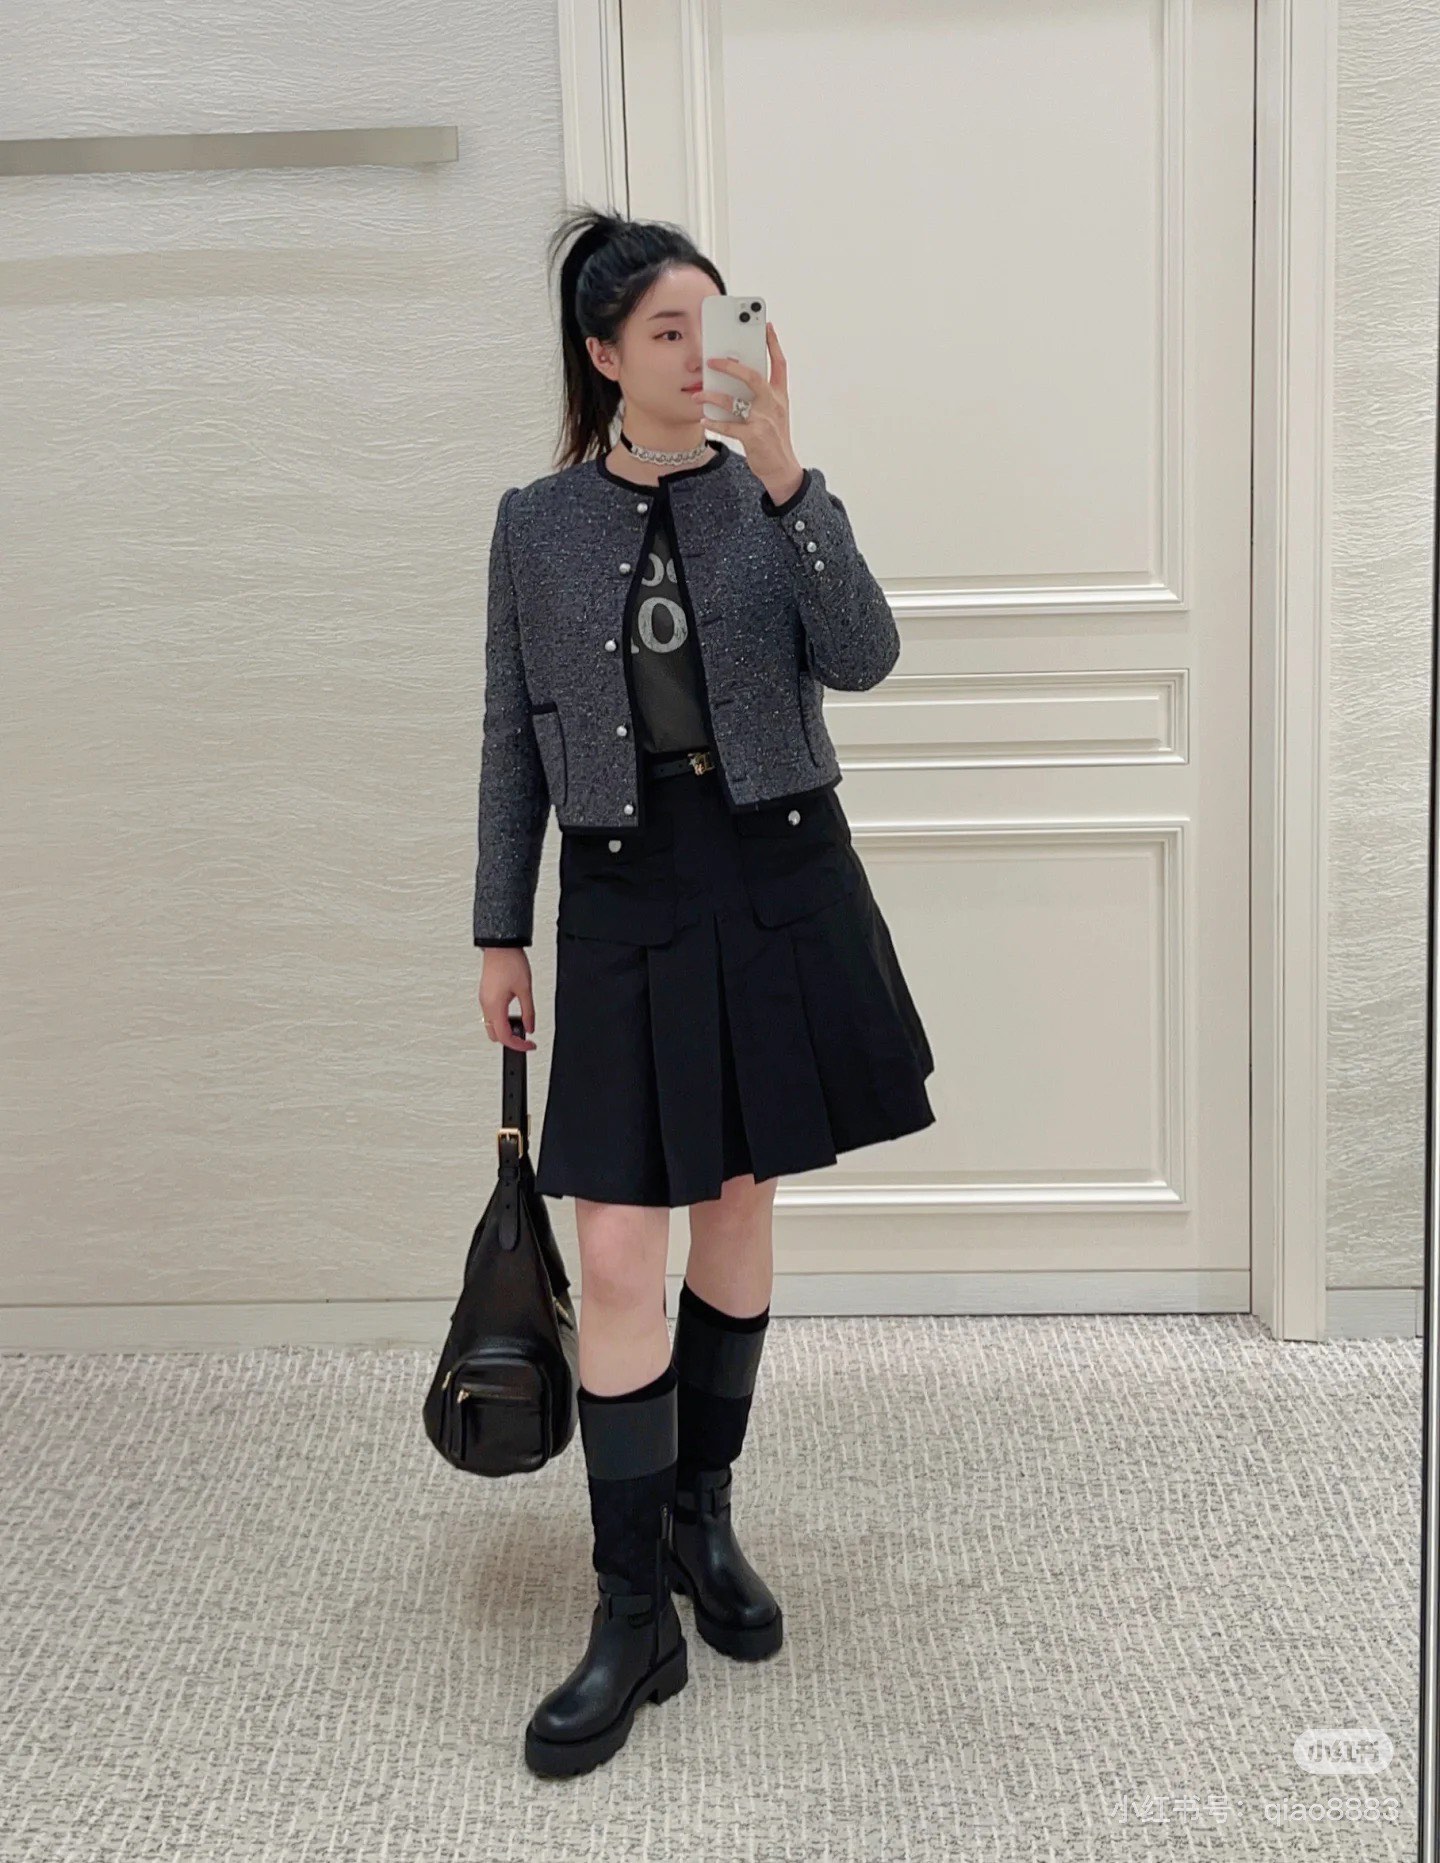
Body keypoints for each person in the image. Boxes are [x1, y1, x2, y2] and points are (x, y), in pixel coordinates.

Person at [473, 206, 936, 1778]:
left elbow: (863, 656)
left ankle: (700, 1522)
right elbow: (511, 738)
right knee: (617, 1249)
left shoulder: (768, 496)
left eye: (711, 324)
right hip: (619, 889)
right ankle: (627, 1613)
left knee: (736, 1206)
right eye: (662, 332)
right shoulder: (535, 524)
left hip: (776, 873)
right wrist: (498, 931)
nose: (695, 354)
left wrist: (791, 471)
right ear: (603, 356)